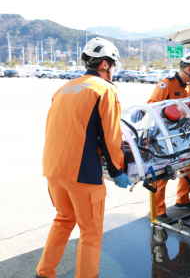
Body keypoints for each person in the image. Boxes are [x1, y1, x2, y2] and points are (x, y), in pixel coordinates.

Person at [36, 37, 131, 278]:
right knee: (90, 230)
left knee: (64, 219)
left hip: (53, 168)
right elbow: (111, 137)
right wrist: (117, 170)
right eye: (113, 65)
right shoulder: (105, 89)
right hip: (82, 172)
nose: (113, 71)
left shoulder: (64, 88)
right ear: (106, 64)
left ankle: (44, 272)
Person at [147, 52, 190, 223]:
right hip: (164, 136)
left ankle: (183, 199)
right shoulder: (166, 85)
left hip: (183, 136)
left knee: (188, 166)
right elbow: (151, 107)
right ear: (189, 69)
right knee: (163, 172)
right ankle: (158, 210)